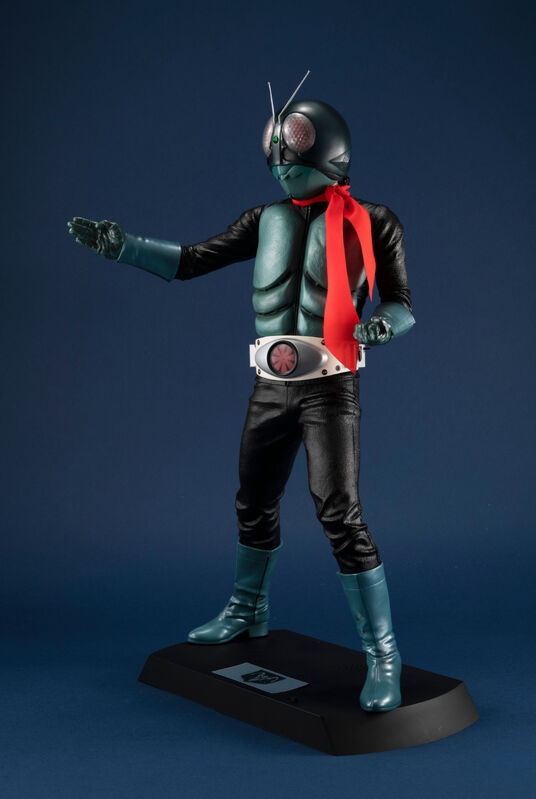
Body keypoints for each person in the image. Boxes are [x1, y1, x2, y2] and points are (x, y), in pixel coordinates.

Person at [68, 77, 415, 712]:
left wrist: (384, 326)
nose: (282, 159)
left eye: (294, 144)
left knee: (339, 513)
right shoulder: (265, 220)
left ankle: (383, 655)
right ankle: (248, 608)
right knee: (253, 500)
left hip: (330, 386)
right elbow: (192, 260)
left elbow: (401, 301)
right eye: (276, 147)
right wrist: (126, 247)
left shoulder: (372, 222)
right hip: (269, 384)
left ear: (327, 148)